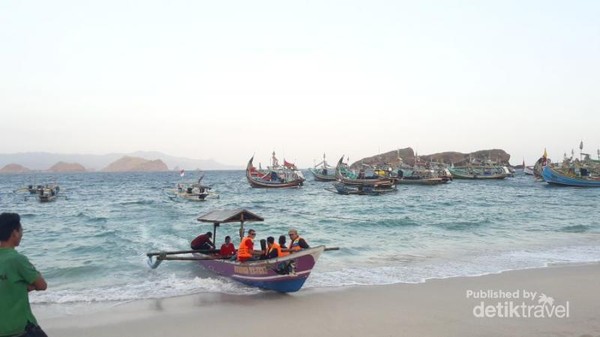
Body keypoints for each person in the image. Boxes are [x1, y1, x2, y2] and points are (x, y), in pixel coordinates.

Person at [0, 212, 48, 337]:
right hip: (21, 328)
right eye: (21, 230)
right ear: (14, 233)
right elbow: (42, 285)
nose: (22, 234)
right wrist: (29, 285)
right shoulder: (17, 259)